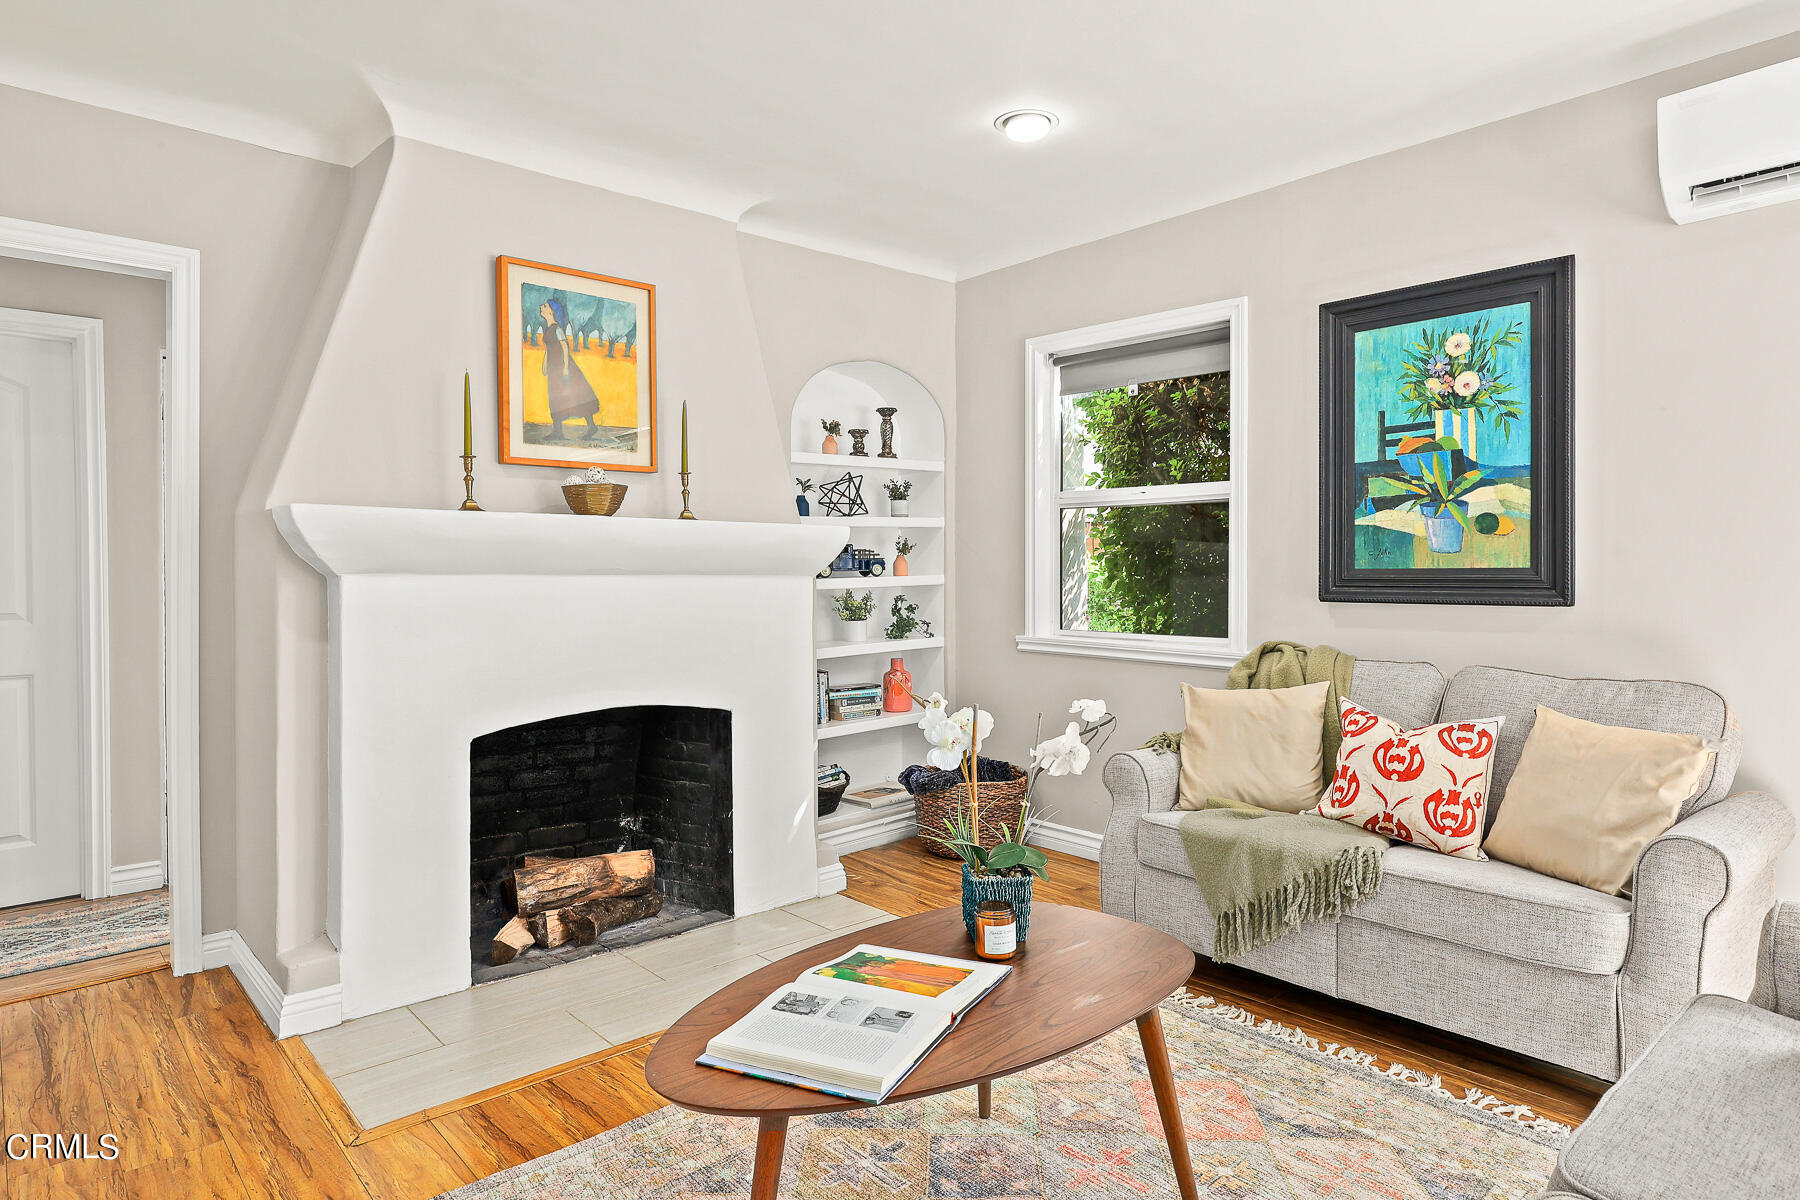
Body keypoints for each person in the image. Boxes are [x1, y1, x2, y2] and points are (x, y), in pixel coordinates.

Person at [537, 296, 602, 441]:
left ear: (551, 312)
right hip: (554, 370)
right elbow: (548, 349)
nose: (542, 307)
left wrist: (566, 367)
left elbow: (565, 348)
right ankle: (558, 431)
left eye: (545, 306)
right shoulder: (548, 329)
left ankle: (591, 426)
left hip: (564, 368)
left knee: (577, 396)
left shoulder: (557, 329)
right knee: (555, 398)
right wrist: (544, 365)